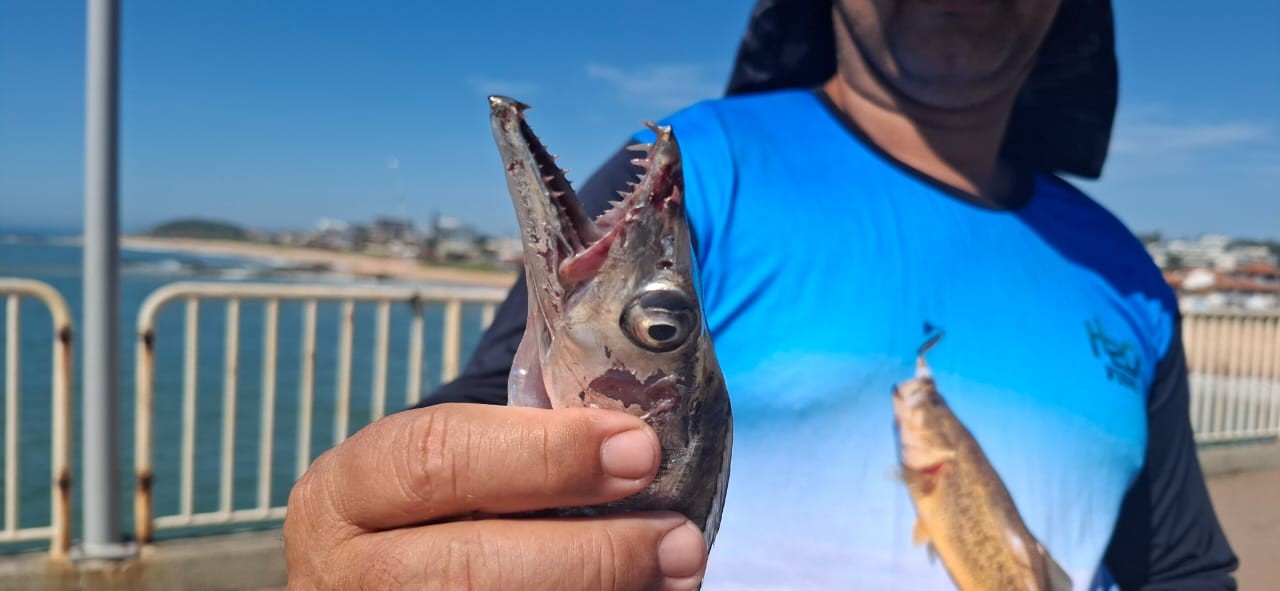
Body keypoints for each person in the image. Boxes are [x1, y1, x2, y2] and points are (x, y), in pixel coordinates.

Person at [283, 0, 1240, 588]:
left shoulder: (1129, 275)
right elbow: (488, 427)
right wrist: (385, 536)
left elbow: (1180, 568)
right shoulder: (707, 165)